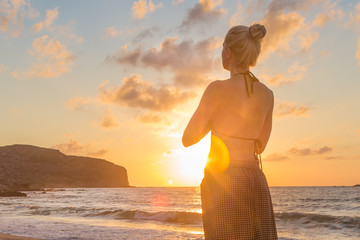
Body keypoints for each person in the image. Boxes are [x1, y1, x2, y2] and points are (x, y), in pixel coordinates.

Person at [182, 24, 278, 239]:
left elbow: (187, 138)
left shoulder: (216, 89)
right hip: (255, 179)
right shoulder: (268, 94)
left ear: (228, 52)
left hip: (223, 180)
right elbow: (260, 145)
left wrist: (213, 122)